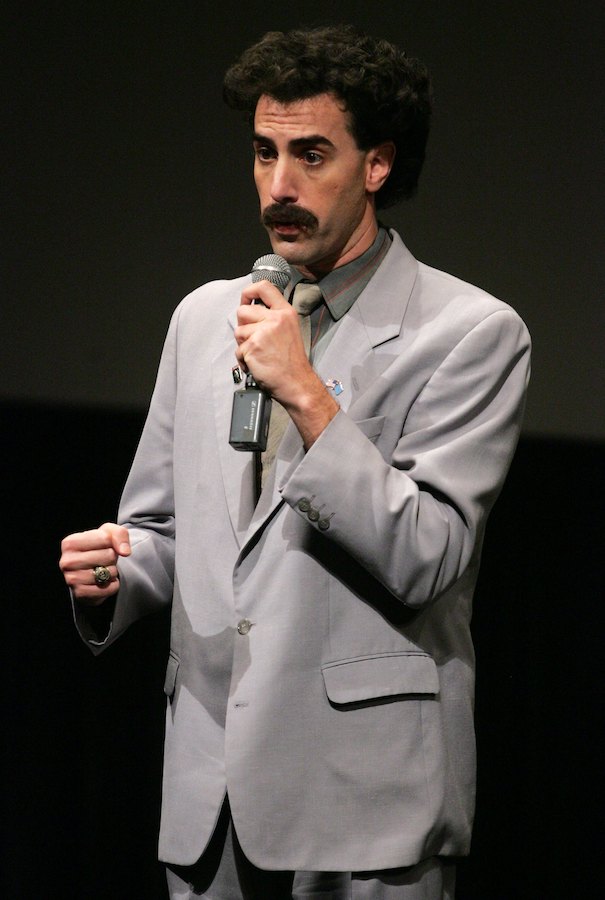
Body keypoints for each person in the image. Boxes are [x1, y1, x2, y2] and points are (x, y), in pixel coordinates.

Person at [59, 25, 531, 900]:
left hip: (364, 803)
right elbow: (164, 528)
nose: (280, 185)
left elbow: (427, 555)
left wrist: (308, 394)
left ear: (376, 165)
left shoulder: (468, 333)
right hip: (210, 794)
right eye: (264, 152)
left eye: (311, 155)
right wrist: (118, 571)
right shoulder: (204, 319)